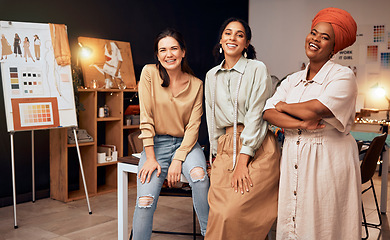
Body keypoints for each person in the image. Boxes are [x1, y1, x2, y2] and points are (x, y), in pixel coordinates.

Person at [263, 7, 361, 239]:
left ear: (334, 47)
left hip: (328, 159)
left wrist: (284, 107)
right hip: (294, 156)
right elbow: (268, 112)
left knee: (325, 223)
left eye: (325, 37)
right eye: (314, 32)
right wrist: (302, 124)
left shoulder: (343, 76)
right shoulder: (292, 80)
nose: (315, 39)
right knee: (295, 221)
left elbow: (320, 108)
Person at [204, 17, 280, 240]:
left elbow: (257, 115)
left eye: (239, 35)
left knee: (233, 211)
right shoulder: (211, 76)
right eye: (228, 33)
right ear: (221, 39)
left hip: (257, 146)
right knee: (218, 212)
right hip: (226, 146)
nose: (233, 38)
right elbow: (211, 117)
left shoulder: (257, 69)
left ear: (246, 43)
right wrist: (215, 155)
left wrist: (243, 161)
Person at [132, 28, 209, 240]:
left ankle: (209, 235)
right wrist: (151, 158)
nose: (169, 54)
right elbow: (145, 117)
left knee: (199, 177)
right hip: (155, 145)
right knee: (145, 202)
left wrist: (178, 159)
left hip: (187, 144)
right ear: (157, 55)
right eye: (163, 50)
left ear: (183, 52)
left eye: (174, 48)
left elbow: (194, 127)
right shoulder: (149, 73)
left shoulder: (196, 85)